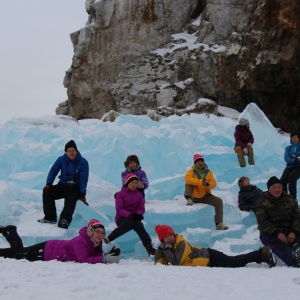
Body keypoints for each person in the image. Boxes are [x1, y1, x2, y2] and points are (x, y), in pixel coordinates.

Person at [0, 219, 120, 264]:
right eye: (97, 232)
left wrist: (107, 255)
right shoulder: (80, 241)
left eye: (102, 233)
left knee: (19, 252)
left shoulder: (94, 244)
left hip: (49, 249)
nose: (100, 235)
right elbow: (83, 259)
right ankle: (10, 230)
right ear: (90, 231)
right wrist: (104, 259)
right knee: (20, 254)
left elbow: (92, 255)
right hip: (47, 251)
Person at [154, 225, 276, 268]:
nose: (170, 238)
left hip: (209, 256)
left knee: (234, 262)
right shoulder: (168, 246)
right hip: (206, 259)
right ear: (162, 240)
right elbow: (159, 262)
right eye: (166, 237)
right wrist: (161, 248)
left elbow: (176, 263)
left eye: (171, 235)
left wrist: (166, 249)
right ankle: (260, 256)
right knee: (235, 261)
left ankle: (261, 254)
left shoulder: (181, 244)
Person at [38, 140, 89, 229]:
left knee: (70, 200)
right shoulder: (61, 159)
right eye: (69, 151)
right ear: (66, 152)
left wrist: (82, 193)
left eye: (73, 150)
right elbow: (53, 171)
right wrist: (48, 184)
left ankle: (64, 220)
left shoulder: (83, 162)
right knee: (47, 192)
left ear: (76, 151)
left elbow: (83, 179)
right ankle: (50, 217)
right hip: (63, 185)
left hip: (75, 187)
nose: (71, 152)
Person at [103, 174, 156, 256]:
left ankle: (149, 247)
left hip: (135, 217)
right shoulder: (120, 194)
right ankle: (111, 237)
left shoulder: (139, 195)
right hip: (121, 218)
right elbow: (119, 209)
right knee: (132, 222)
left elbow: (141, 208)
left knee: (138, 225)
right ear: (127, 183)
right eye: (132, 182)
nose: (134, 185)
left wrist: (137, 214)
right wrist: (130, 215)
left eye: (136, 183)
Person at [255, 176, 300, 268]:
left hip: (290, 232)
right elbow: (263, 223)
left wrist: (294, 232)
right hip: (271, 234)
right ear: (269, 189)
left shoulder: (290, 200)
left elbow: (298, 217)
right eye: (274, 187)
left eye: (279, 187)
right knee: (281, 247)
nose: (277, 189)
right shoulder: (261, 203)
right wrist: (277, 233)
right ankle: (294, 260)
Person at [184, 154, 229, 230]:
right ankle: (189, 198)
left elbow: (214, 184)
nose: (200, 163)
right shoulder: (191, 171)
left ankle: (219, 223)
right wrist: (201, 182)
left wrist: (208, 184)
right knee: (189, 183)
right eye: (198, 162)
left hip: (205, 196)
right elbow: (187, 178)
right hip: (194, 197)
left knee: (218, 201)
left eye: (202, 161)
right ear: (195, 163)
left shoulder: (209, 172)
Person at [280, 132, 300, 199]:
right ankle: (284, 198)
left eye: (295, 137)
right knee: (282, 180)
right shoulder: (288, 148)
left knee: (292, 177)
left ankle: (293, 198)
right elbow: (286, 158)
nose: (294, 139)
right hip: (289, 166)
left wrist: (296, 158)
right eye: (292, 138)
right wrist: (294, 160)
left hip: (298, 167)